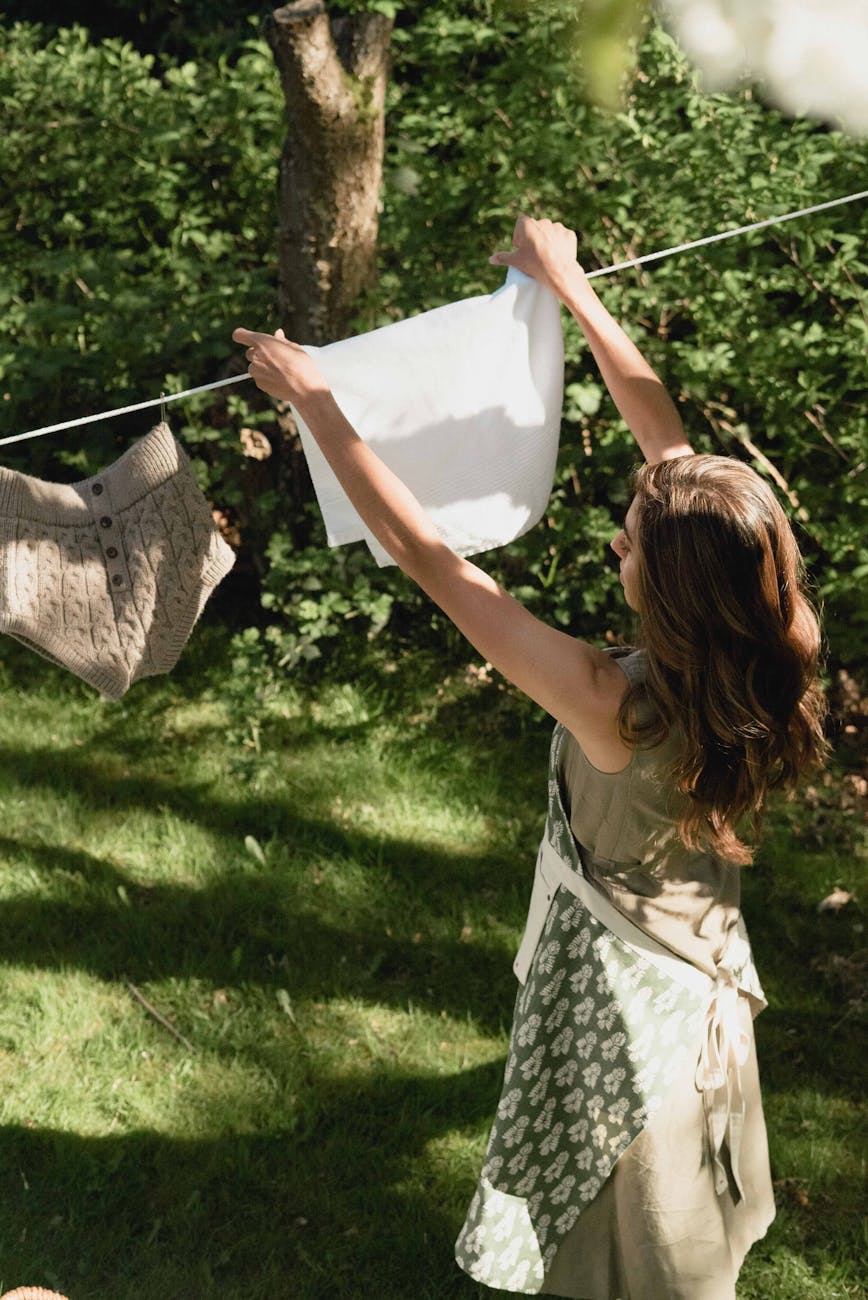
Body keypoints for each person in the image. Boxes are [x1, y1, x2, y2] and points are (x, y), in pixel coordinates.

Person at [233, 217, 827, 1300]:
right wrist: (573, 286)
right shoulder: (764, 634)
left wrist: (316, 401)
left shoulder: (616, 706)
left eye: (633, 540)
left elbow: (428, 557)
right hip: (694, 970)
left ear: (675, 582)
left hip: (629, 1006)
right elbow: (668, 439)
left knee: (631, 1242)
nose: (616, 542)